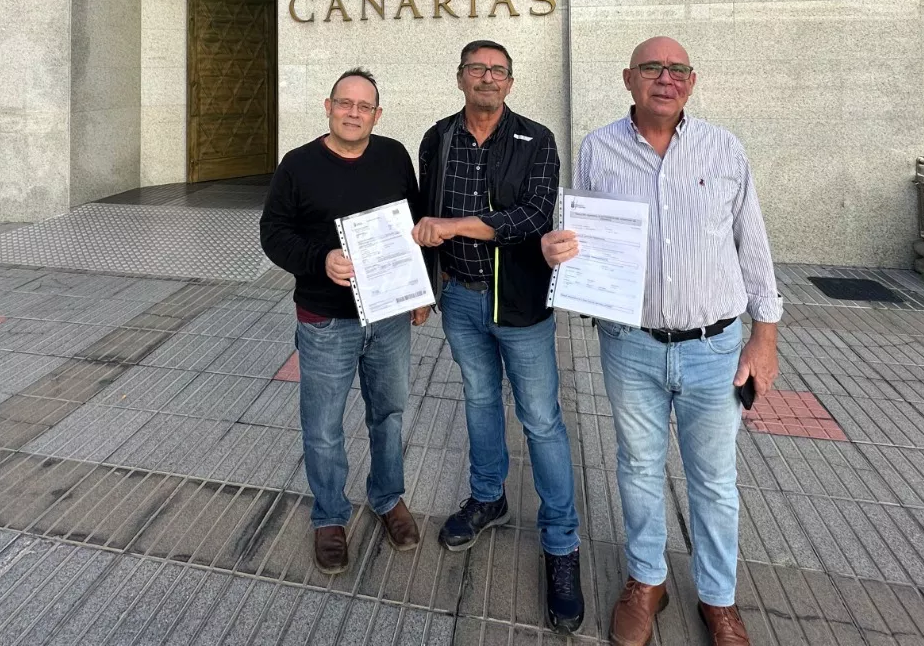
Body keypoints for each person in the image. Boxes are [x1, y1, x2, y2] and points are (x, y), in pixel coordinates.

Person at [541, 37, 780, 646]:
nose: (665, 78)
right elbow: (580, 236)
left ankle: (718, 599)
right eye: (653, 68)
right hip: (632, 345)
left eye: (677, 70)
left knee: (714, 480)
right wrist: (557, 250)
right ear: (629, 79)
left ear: (692, 83)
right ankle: (647, 580)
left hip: (714, 347)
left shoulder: (723, 147)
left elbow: (751, 243)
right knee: (639, 468)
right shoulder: (597, 148)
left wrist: (765, 338)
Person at [412, 40, 584, 634]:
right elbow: (420, 213)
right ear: (459, 76)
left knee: (540, 417)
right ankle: (488, 497)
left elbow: (535, 216)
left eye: (498, 70)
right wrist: (424, 287)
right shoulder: (437, 138)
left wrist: (457, 226)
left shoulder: (537, 139)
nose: (487, 77)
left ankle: (561, 542)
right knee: (480, 399)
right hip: (459, 295)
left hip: (520, 302)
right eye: (477, 68)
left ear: (510, 82)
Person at [260, 67, 433, 576]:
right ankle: (330, 516)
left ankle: (387, 499)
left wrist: (422, 292)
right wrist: (321, 260)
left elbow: (415, 225)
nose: (353, 113)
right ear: (328, 106)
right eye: (345, 103)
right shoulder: (297, 165)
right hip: (324, 321)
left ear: (377, 115)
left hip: (389, 316)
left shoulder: (394, 155)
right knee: (323, 426)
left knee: (389, 412)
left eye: (364, 106)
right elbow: (274, 232)